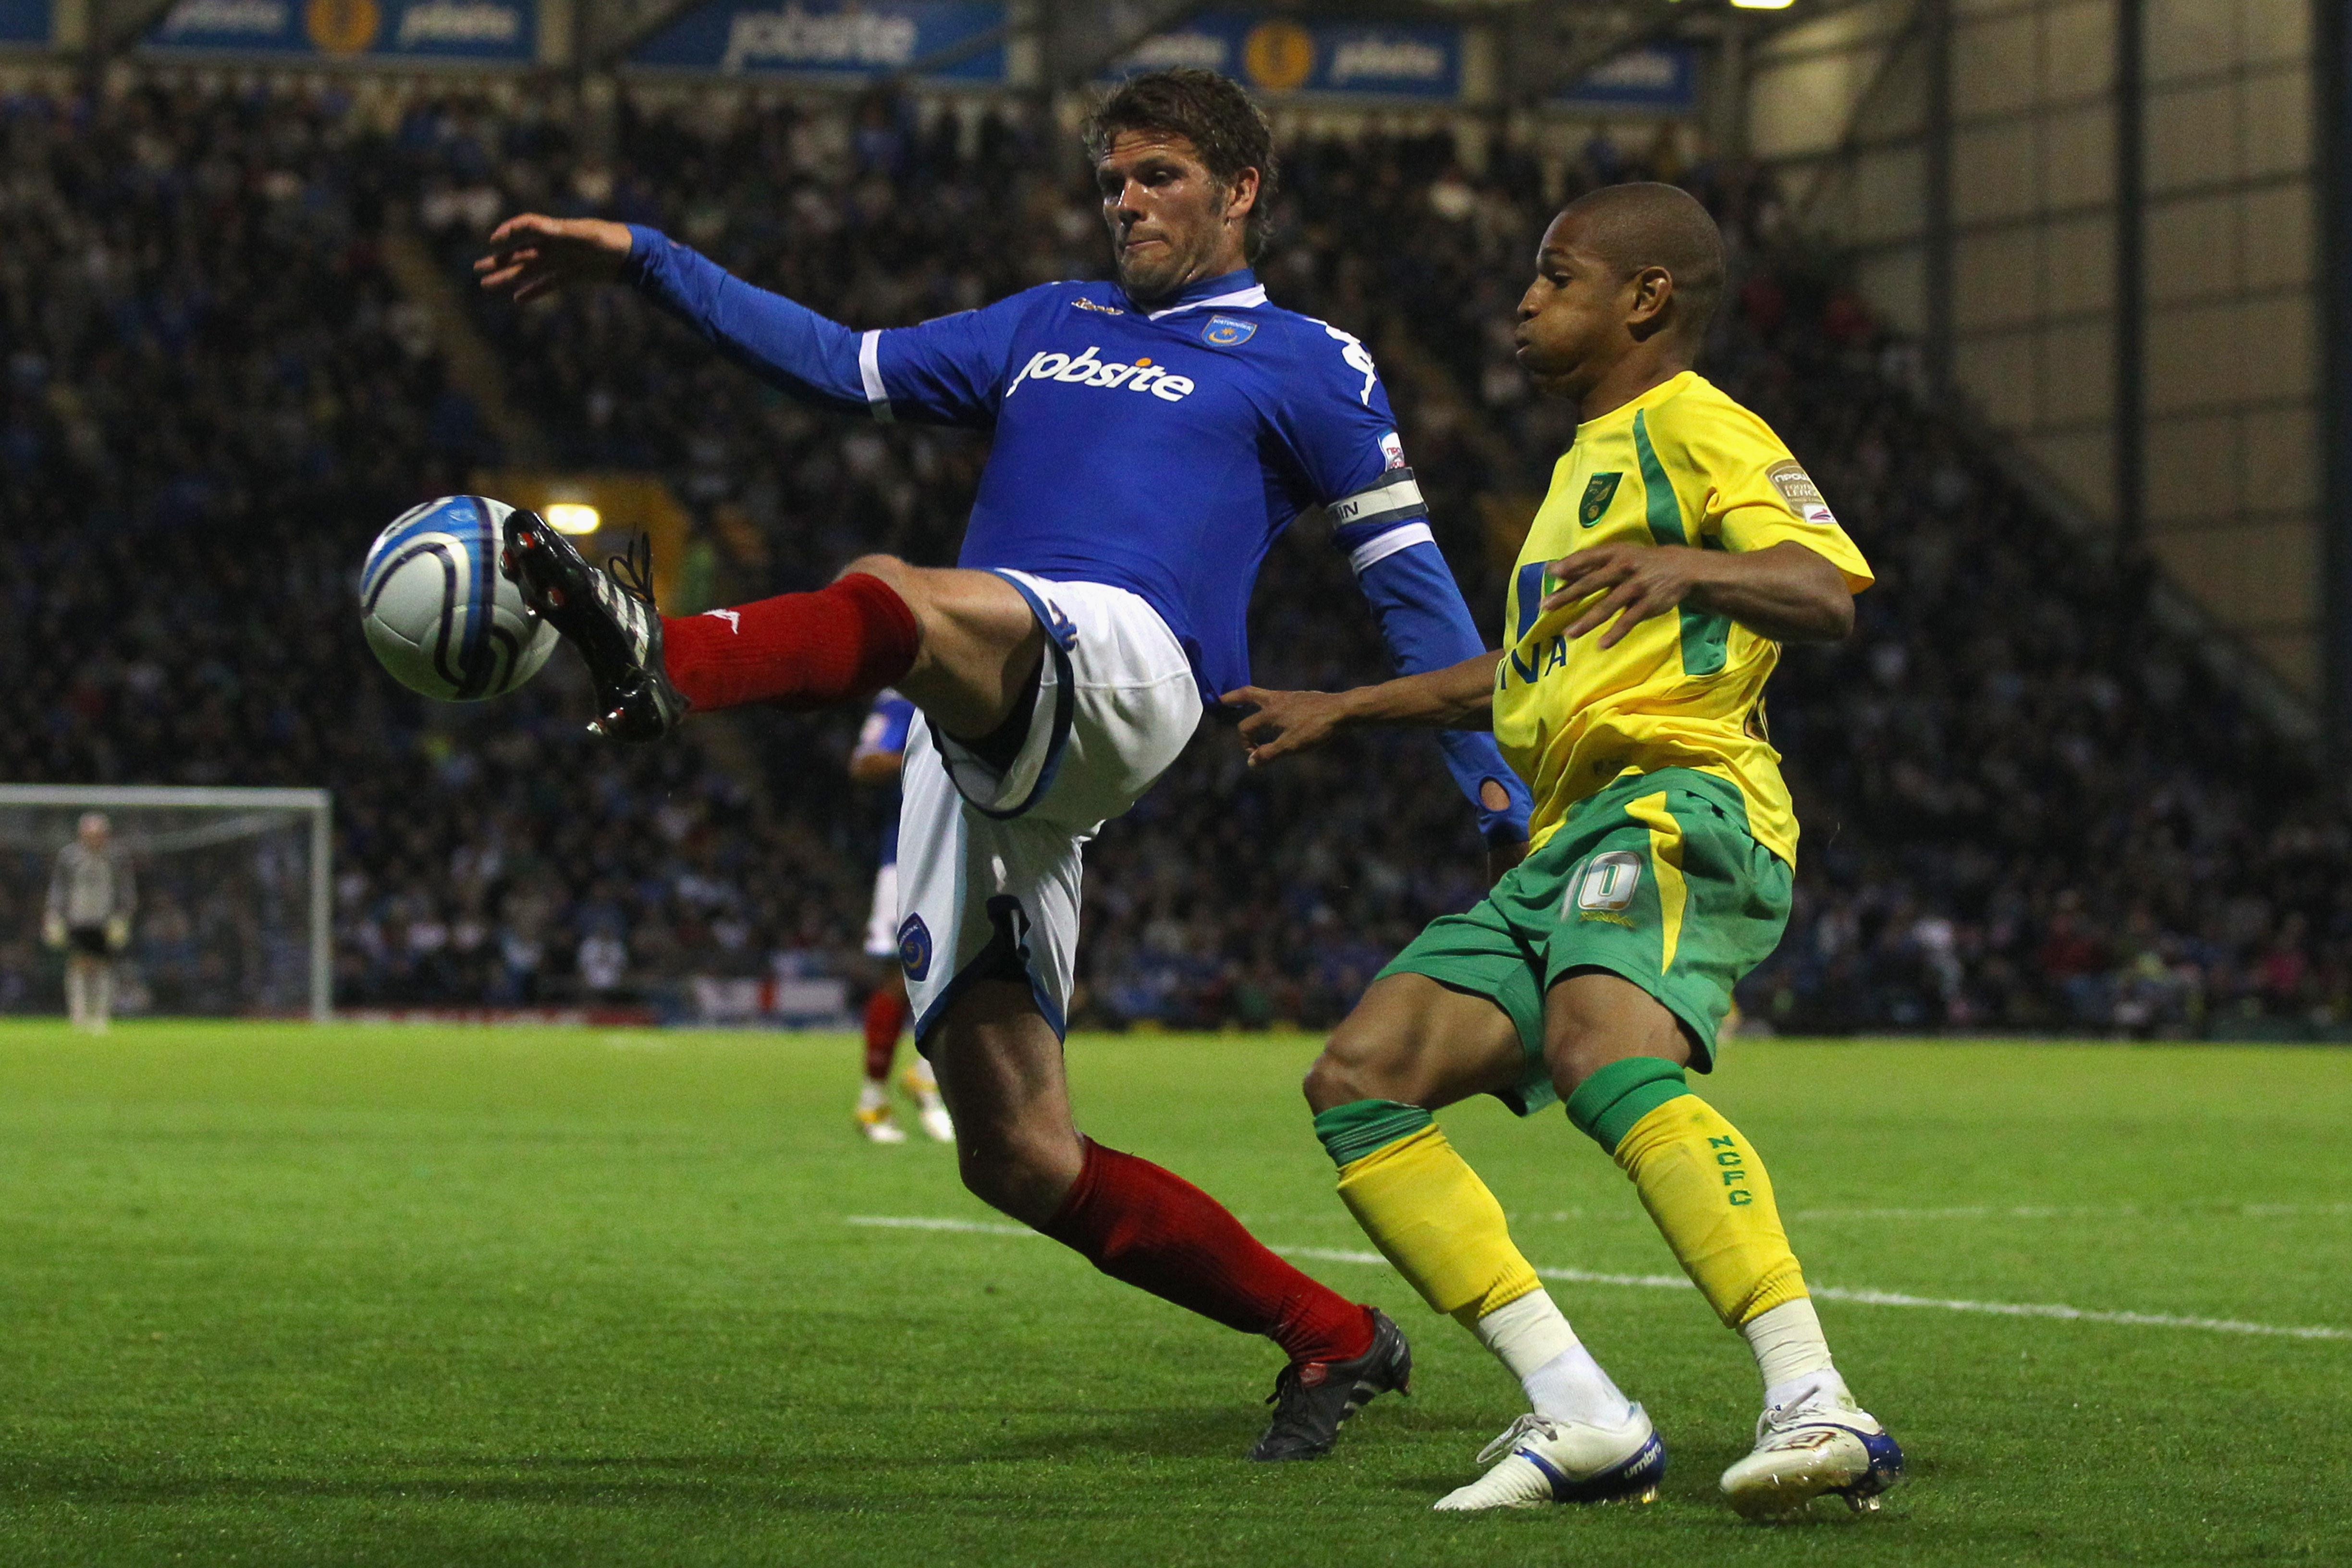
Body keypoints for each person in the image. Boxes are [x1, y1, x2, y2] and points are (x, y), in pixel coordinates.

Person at [475, 68, 1535, 1461]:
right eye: (1112, 180)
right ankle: (1332, 1337)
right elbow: (834, 360)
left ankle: (665, 655)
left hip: (1134, 663)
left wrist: (1494, 777)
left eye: (1157, 175)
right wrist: (644, 260)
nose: (1126, 202)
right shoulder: (1048, 323)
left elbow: (1408, 581)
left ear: (1241, 189)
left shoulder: (1311, 361)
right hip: (985, 721)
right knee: (1018, 1154)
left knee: (896, 594)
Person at [1227, 183, 1904, 1519]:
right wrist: (1347, 706)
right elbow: (1524, 675)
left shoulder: (1699, 425)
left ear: (1646, 298)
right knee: (1363, 1078)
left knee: (1604, 1049)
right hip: (1563, 837)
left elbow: (1824, 591)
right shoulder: (1580, 471)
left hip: (1680, 797)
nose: (1526, 301)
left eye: (1556, 276)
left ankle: (1817, 1400)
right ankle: (1584, 1414)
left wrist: (1691, 568)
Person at [850, 688, 953, 1144]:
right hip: (908, 854)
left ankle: (926, 1076)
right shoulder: (906, 695)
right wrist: (935, 758)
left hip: (964, 851)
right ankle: (874, 1100)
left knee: (963, 972)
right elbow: (865, 762)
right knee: (900, 975)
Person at [44, 812, 135, 1034]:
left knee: (103, 965)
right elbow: (59, 887)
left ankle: (101, 1016)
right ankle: (79, 1015)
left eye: (99, 835)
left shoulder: (116, 858)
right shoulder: (69, 857)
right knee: (78, 964)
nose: (95, 839)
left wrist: (123, 916)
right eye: (90, 834)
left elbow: (125, 888)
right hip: (77, 918)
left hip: (105, 920)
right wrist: (54, 914)